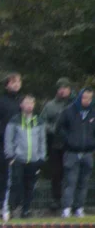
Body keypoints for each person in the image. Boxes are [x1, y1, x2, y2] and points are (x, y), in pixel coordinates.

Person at [3, 95, 47, 220]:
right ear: (21, 105)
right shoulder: (14, 120)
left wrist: (42, 157)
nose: (29, 105)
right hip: (18, 158)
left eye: (31, 103)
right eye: (26, 103)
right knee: (15, 184)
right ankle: (11, 208)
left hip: (33, 160)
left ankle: (26, 210)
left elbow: (42, 141)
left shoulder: (39, 121)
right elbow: (8, 139)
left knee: (30, 186)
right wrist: (10, 156)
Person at [57, 87, 95, 218]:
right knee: (70, 182)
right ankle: (67, 208)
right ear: (80, 97)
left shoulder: (93, 113)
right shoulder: (69, 111)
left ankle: (79, 208)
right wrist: (69, 141)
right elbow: (60, 128)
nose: (87, 101)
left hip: (88, 153)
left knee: (83, 183)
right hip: (72, 152)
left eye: (90, 98)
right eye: (85, 97)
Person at [0, 74, 23, 214]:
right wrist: (7, 136)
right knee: (2, 174)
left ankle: (16, 203)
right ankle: (0, 203)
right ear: (7, 85)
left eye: (18, 82)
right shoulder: (0, 102)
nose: (16, 84)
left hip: (21, 144)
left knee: (19, 174)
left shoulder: (22, 101)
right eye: (13, 82)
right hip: (3, 144)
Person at [42, 79, 73, 211]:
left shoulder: (75, 105)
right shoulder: (50, 106)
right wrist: (54, 128)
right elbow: (42, 122)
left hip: (72, 145)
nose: (63, 90)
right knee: (56, 174)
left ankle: (71, 201)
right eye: (60, 88)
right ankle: (56, 200)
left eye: (65, 87)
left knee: (71, 174)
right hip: (55, 144)